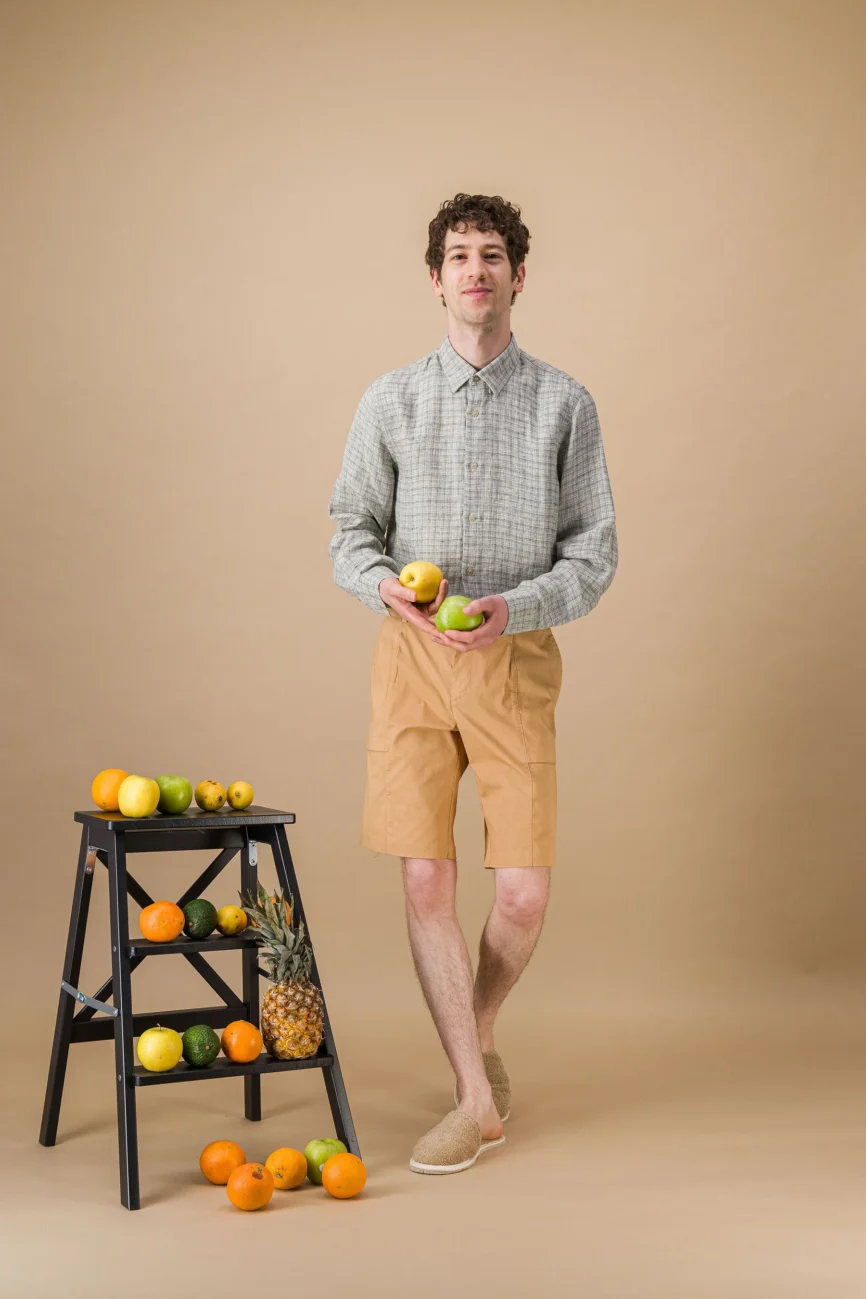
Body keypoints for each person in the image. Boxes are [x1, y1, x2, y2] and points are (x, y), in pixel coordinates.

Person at [327, 193, 618, 1175]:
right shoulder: (388, 400)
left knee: (522, 894)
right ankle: (470, 1097)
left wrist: (515, 607)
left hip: (513, 658)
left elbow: (594, 555)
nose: (475, 270)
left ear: (517, 277)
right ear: (435, 280)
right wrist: (384, 588)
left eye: (492, 255)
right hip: (411, 660)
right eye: (458, 255)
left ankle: (477, 1031)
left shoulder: (565, 404)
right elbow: (350, 533)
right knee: (425, 876)